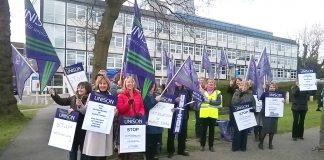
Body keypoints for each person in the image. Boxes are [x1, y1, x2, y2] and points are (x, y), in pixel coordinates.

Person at [49, 81, 92, 160]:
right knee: (72, 152)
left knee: (84, 153)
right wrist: (54, 95)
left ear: (87, 89)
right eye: (78, 87)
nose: (79, 89)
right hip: (73, 130)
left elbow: (89, 112)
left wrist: (77, 109)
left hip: (85, 130)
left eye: (82, 87)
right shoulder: (73, 97)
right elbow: (62, 101)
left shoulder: (91, 99)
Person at [83, 74, 116, 160]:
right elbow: (86, 110)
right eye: (100, 83)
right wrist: (80, 106)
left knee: (103, 152)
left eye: (104, 83)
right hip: (94, 126)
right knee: (93, 151)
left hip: (105, 127)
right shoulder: (92, 95)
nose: (102, 85)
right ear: (98, 84)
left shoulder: (111, 97)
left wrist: (115, 113)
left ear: (107, 85)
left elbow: (113, 112)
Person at [116, 76, 145, 160]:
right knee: (124, 145)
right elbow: (120, 110)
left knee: (131, 145)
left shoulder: (138, 95)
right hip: (124, 122)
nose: (129, 84)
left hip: (135, 121)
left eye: (131, 82)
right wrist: (128, 104)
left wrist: (140, 113)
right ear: (125, 83)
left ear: (134, 83)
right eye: (128, 82)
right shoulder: (121, 95)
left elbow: (142, 107)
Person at [229, 80, 256, 151]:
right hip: (238, 116)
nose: (243, 87)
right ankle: (235, 147)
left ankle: (243, 146)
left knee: (245, 132)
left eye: (245, 85)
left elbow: (253, 104)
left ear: (247, 87)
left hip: (246, 117)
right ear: (239, 86)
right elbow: (233, 103)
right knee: (237, 132)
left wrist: (253, 109)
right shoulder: (236, 93)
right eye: (241, 85)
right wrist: (239, 95)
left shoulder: (250, 95)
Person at [167, 82, 191, 158]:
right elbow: (166, 100)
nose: (179, 82)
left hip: (183, 116)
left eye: (181, 80)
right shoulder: (171, 90)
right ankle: (170, 151)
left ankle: (181, 150)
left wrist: (190, 104)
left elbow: (188, 103)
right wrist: (174, 100)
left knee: (183, 134)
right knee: (171, 134)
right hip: (173, 116)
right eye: (177, 80)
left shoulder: (186, 91)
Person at [258, 82, 284, 150]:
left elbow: (282, 100)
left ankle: (270, 144)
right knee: (265, 129)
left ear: (275, 88)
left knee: (272, 130)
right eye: (270, 87)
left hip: (274, 114)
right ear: (268, 88)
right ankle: (261, 143)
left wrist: (282, 101)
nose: (272, 88)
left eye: (273, 87)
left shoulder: (279, 94)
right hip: (265, 114)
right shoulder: (265, 93)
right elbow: (260, 98)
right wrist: (264, 89)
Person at [199, 79, 222, 152]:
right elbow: (199, 101)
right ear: (207, 84)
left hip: (213, 114)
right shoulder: (202, 92)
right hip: (204, 114)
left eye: (212, 82)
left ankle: (211, 146)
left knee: (212, 131)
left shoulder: (218, 92)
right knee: (203, 131)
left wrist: (209, 101)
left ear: (214, 84)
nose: (211, 83)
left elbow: (218, 103)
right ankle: (202, 145)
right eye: (209, 82)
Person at [143, 83, 163, 160]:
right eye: (150, 86)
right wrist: (155, 100)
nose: (152, 88)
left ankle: (153, 155)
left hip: (157, 123)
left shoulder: (156, 95)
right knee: (149, 143)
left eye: (153, 86)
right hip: (149, 122)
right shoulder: (144, 96)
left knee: (155, 141)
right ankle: (148, 157)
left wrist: (170, 110)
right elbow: (148, 106)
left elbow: (162, 107)